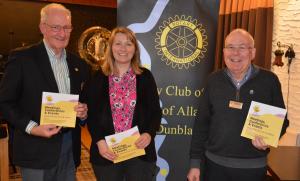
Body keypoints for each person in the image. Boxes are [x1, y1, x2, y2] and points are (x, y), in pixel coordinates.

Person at [0, 3, 89, 181]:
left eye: (66, 27)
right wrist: (32, 128)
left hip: (69, 147)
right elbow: (4, 102)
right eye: (55, 27)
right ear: (42, 27)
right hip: (35, 148)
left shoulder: (78, 64)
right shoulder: (22, 59)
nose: (62, 33)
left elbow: (83, 101)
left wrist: (83, 112)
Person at [187, 28, 289, 181]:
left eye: (242, 47)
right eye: (230, 47)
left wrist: (268, 140)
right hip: (214, 167)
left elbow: (282, 121)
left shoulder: (270, 81)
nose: (235, 53)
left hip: (253, 169)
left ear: (252, 53)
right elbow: (201, 124)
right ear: (224, 52)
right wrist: (195, 163)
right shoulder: (213, 80)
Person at [81, 27, 162, 181]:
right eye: (118, 43)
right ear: (110, 48)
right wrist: (99, 141)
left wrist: (148, 134)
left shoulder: (145, 77)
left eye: (128, 44)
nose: (123, 48)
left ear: (135, 49)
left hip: (139, 151)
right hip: (107, 152)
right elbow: (91, 115)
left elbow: (155, 111)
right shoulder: (98, 78)